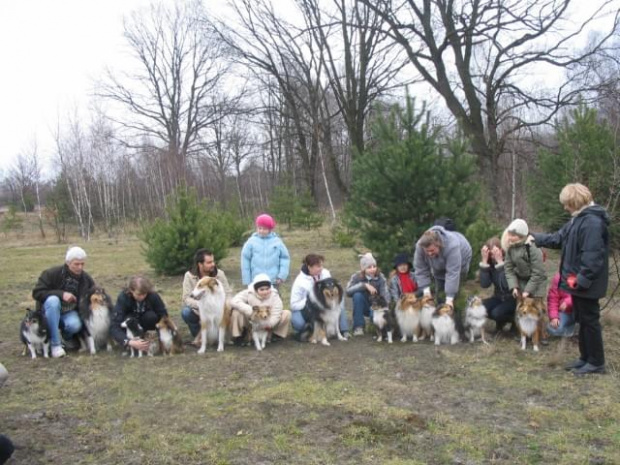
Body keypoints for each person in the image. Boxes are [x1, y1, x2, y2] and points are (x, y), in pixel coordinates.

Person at [533, 183, 609, 375]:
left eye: (567, 203)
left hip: (585, 284)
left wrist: (582, 281)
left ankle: (596, 362)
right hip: (577, 284)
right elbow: (557, 238)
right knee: (582, 320)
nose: (565, 207)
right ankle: (585, 358)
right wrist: (532, 237)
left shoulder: (591, 222)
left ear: (574, 202)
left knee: (590, 321)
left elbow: (592, 257)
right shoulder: (577, 220)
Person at [32, 246, 95, 358]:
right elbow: (37, 293)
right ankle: (55, 345)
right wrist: (61, 294)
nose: (80, 267)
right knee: (53, 300)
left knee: (75, 325)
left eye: (82, 264)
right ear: (68, 262)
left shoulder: (86, 279)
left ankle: (66, 338)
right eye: (76, 264)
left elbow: (93, 295)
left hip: (68, 312)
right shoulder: (51, 274)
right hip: (48, 311)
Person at [290, 254, 349, 339]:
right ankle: (311, 331)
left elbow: (330, 291)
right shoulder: (299, 282)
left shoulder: (325, 273)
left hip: (323, 305)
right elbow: (293, 304)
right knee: (299, 323)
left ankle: (344, 330)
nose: (321, 268)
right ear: (309, 267)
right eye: (318, 266)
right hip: (305, 308)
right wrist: (309, 301)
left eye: (321, 265)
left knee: (340, 300)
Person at [413, 225, 472, 308]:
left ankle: (457, 313)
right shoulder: (420, 246)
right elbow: (421, 270)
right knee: (440, 289)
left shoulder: (452, 246)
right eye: (427, 251)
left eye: (432, 250)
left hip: (462, 256)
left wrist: (449, 300)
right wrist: (426, 294)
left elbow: (452, 274)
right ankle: (440, 309)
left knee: (453, 295)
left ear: (438, 244)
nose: (429, 253)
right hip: (440, 261)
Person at [181, 248, 233, 339]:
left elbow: (228, 293)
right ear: (200, 264)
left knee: (233, 309)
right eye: (209, 262)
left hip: (218, 309)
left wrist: (224, 306)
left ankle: (223, 336)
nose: (213, 264)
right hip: (199, 309)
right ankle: (199, 337)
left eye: (213, 261)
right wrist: (202, 305)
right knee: (186, 312)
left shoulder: (219, 274)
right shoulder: (189, 276)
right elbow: (186, 298)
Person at [110, 276, 169, 353]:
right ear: (131, 290)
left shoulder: (153, 296)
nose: (142, 297)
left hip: (148, 326)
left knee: (151, 316)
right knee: (128, 319)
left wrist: (164, 339)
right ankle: (132, 346)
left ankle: (149, 342)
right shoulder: (123, 298)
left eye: (144, 294)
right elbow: (114, 326)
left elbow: (164, 317)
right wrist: (128, 341)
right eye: (139, 294)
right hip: (131, 330)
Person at [230, 273, 291, 342]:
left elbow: (277, 312)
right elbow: (234, 301)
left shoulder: (275, 296)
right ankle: (239, 336)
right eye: (262, 289)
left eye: (267, 289)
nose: (265, 292)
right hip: (252, 322)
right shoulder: (249, 293)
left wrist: (268, 324)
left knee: (286, 313)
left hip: (267, 323)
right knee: (236, 312)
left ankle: (275, 335)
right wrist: (250, 311)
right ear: (256, 289)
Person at [501, 219, 547, 300]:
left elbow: (537, 273)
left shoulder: (532, 248)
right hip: (521, 284)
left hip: (536, 287)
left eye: (513, 235)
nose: (510, 238)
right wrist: (514, 287)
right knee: (522, 310)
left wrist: (527, 291)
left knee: (534, 309)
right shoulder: (511, 248)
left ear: (521, 236)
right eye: (509, 235)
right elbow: (509, 269)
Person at [241, 214, 290, 287]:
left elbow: (285, 258)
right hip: (255, 280)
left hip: (273, 281)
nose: (261, 231)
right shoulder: (251, 242)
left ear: (270, 229)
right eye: (259, 228)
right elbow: (245, 259)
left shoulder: (277, 242)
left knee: (273, 297)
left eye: (264, 229)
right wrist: (247, 280)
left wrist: (281, 276)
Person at [479, 237, 516, 333]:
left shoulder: (511, 260)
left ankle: (516, 321)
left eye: (494, 253)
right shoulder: (490, 263)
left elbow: (507, 285)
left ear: (501, 250)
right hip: (498, 297)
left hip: (513, 298)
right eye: (490, 254)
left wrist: (500, 263)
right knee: (480, 307)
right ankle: (500, 322)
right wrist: (484, 262)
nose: (492, 256)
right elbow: (485, 284)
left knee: (496, 313)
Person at [346, 253, 389, 336]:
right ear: (363, 269)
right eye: (369, 267)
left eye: (374, 266)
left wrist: (386, 307)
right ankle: (359, 327)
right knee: (357, 295)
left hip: (377, 306)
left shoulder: (381, 277)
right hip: (364, 305)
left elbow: (385, 294)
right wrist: (364, 285)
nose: (372, 269)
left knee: (374, 329)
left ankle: (375, 326)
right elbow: (348, 291)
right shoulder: (356, 277)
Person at [546, 272, 575, 338]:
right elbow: (553, 299)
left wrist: (569, 302)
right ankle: (572, 330)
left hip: (580, 311)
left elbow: (584, 295)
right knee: (552, 328)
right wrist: (554, 317)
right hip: (565, 312)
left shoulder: (583, 275)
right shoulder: (558, 277)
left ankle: (577, 328)